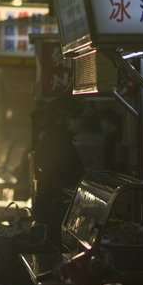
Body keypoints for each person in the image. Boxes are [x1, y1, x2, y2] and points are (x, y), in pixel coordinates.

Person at [31, 98, 85, 246]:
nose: (79, 122)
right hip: (56, 211)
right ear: (61, 120)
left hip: (50, 209)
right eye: (75, 118)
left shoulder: (53, 137)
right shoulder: (58, 141)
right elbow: (62, 176)